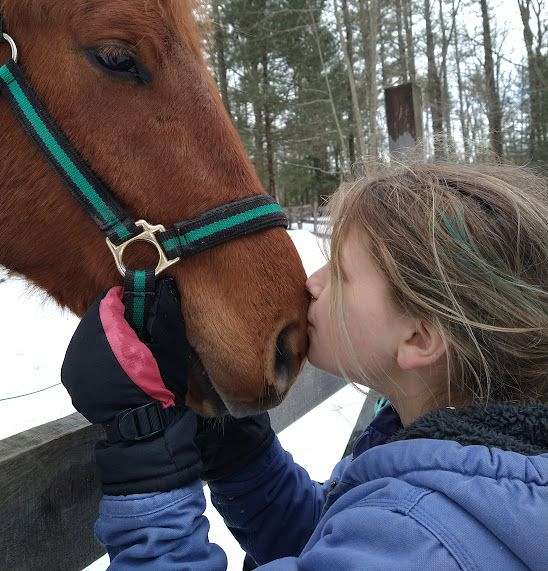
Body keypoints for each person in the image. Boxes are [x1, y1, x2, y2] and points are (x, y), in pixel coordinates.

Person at [61, 161, 548, 570]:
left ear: (419, 337)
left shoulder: (423, 539)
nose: (312, 284)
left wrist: (147, 458)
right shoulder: (475, 473)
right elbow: (331, 541)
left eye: (339, 272)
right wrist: (240, 452)